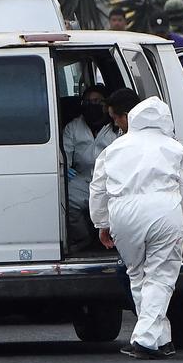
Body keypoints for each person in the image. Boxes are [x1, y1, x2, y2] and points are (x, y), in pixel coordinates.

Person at [90, 96, 183, 359]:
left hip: (123, 215)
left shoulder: (113, 149)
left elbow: (97, 188)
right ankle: (147, 340)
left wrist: (101, 223)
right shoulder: (175, 149)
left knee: (138, 275)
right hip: (164, 212)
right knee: (161, 277)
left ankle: (161, 340)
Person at [63, 85, 118, 253]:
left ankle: (115, 241)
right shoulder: (73, 127)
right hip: (82, 178)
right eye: (87, 102)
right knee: (67, 198)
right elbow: (65, 157)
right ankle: (83, 239)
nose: (91, 105)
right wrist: (65, 169)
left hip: (111, 180)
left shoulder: (116, 127)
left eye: (96, 101)